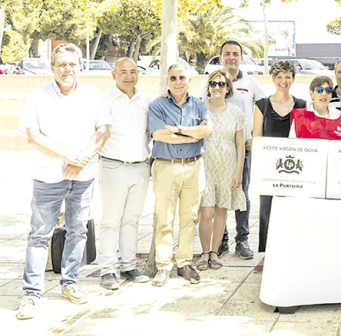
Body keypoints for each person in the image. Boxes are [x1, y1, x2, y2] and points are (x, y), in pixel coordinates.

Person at [15, 43, 110, 319]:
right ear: (52, 68)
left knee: (77, 231)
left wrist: (81, 159)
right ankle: (31, 294)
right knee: (39, 235)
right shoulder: (38, 97)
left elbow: (103, 131)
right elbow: (33, 137)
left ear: (79, 66)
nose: (67, 69)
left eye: (71, 64)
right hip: (48, 177)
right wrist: (69, 156)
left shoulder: (93, 96)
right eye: (61, 64)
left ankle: (70, 284)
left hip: (84, 176)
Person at [148, 64, 213, 287]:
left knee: (189, 218)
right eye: (173, 77)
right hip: (166, 166)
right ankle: (163, 266)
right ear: (167, 80)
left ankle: (184, 262)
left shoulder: (199, 105)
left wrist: (175, 129)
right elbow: (158, 135)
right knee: (165, 219)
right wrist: (190, 134)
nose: (178, 81)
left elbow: (207, 131)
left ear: (189, 80)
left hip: (194, 167)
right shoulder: (157, 106)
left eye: (182, 77)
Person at [96, 57, 152, 291]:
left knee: (132, 219)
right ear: (113, 75)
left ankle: (128, 266)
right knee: (110, 221)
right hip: (114, 167)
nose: (129, 76)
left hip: (140, 167)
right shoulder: (105, 101)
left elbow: (150, 133)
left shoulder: (145, 102)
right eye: (123, 72)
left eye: (133, 71)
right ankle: (107, 269)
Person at [252, 61, 307, 272]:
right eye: (279, 77)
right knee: (268, 211)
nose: (284, 81)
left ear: (293, 79)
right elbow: (257, 138)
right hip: (269, 169)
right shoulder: (262, 105)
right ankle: (267, 256)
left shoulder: (302, 105)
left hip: (295, 169)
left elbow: (304, 138)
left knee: (292, 210)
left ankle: (291, 252)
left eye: (288, 77)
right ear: (273, 79)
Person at [214, 41, 265, 260]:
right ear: (220, 56)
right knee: (219, 194)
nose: (231, 57)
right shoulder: (213, 82)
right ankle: (221, 239)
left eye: (235, 54)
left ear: (241, 57)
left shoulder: (250, 83)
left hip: (243, 150)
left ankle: (242, 239)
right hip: (217, 150)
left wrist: (255, 136)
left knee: (241, 192)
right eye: (227, 53)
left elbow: (264, 109)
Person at [197, 70, 247, 271]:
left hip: (227, 165)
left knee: (220, 210)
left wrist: (238, 172)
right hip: (205, 164)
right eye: (213, 84)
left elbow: (240, 145)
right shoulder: (200, 108)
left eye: (221, 84)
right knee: (206, 211)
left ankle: (215, 253)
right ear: (208, 87)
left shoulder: (236, 113)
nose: (217, 87)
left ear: (228, 87)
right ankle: (203, 252)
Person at [290, 76, 341, 140]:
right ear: (311, 94)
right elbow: (292, 146)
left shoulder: (340, 118)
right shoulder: (299, 117)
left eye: (328, 90)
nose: (324, 94)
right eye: (319, 90)